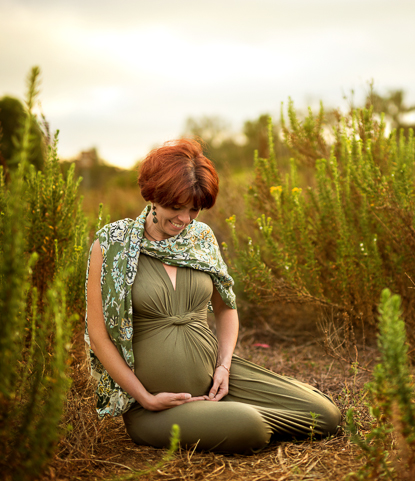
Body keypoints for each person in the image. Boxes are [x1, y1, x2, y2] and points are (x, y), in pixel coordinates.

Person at [85, 138, 341, 454]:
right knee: (250, 426)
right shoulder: (112, 244)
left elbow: (226, 308)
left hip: (216, 380)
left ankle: (221, 411)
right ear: (153, 195)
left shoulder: (201, 238)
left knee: (326, 415)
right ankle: (230, 417)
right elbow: (98, 337)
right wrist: (145, 397)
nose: (184, 219)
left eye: (194, 209)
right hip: (154, 407)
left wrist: (223, 368)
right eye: (176, 207)